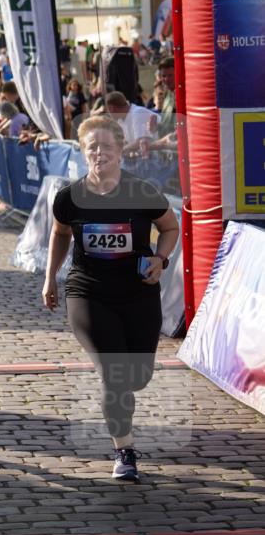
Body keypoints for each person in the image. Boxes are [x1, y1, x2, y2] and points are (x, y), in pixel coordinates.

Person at [42, 115, 179, 483]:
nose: (99, 152)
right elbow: (60, 234)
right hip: (88, 293)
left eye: (106, 146)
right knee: (114, 375)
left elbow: (170, 227)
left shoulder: (142, 191)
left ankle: (123, 405)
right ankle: (125, 450)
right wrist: (50, 277)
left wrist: (160, 258)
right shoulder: (69, 197)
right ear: (83, 152)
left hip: (138, 293)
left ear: (121, 150)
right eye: (92, 147)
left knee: (138, 376)